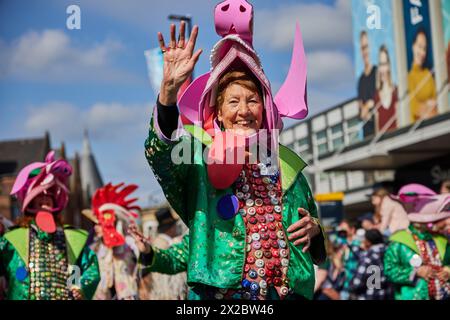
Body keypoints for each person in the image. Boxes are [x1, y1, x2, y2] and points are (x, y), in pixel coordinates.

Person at [129, 0, 326, 300]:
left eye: (252, 100)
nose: (244, 110)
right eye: (233, 101)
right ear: (218, 112)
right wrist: (168, 91)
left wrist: (315, 231)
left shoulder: (286, 165)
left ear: (264, 108)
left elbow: (312, 228)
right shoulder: (198, 158)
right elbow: (160, 154)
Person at [0, 151, 100, 300]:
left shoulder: (71, 238)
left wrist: (80, 287)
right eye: (40, 195)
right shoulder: (12, 239)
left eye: (49, 196)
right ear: (31, 202)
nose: (45, 197)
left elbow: (89, 267)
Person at [384, 184, 450, 300]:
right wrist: (416, 272)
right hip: (414, 295)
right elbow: (389, 270)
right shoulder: (399, 241)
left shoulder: (441, 238)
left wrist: (447, 271)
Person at [83, 183, 141, 300]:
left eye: (99, 224)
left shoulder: (129, 245)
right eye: (95, 224)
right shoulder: (95, 248)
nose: (95, 228)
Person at [142, 207, 188, 300]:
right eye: (175, 226)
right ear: (171, 228)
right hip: (167, 294)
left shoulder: (158, 242)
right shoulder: (164, 244)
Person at [349, 229, 393, 300]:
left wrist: (350, 288)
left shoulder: (368, 257)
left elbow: (357, 283)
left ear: (368, 242)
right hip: (388, 294)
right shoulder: (390, 252)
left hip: (371, 295)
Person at [408, 28, 438, 123]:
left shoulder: (428, 74)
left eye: (424, 48)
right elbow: (414, 109)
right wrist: (428, 104)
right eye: (420, 46)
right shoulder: (409, 77)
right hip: (418, 131)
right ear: (413, 46)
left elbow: (437, 103)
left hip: (434, 126)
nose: (422, 52)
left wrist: (425, 106)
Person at [336, 220, 363, 299]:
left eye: (344, 230)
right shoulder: (340, 244)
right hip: (345, 285)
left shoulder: (359, 244)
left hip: (357, 285)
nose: (342, 232)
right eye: (340, 230)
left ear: (352, 230)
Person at [357, 30, 377, 138]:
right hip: (368, 135)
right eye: (362, 48)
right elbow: (360, 111)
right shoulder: (361, 80)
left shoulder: (377, 72)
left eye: (367, 47)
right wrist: (366, 109)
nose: (365, 51)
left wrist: (370, 104)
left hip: (381, 129)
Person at [374, 45, 398, 132]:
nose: (383, 69)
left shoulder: (395, 91)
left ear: (389, 65)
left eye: (384, 64)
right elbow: (377, 129)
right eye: (380, 64)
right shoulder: (376, 96)